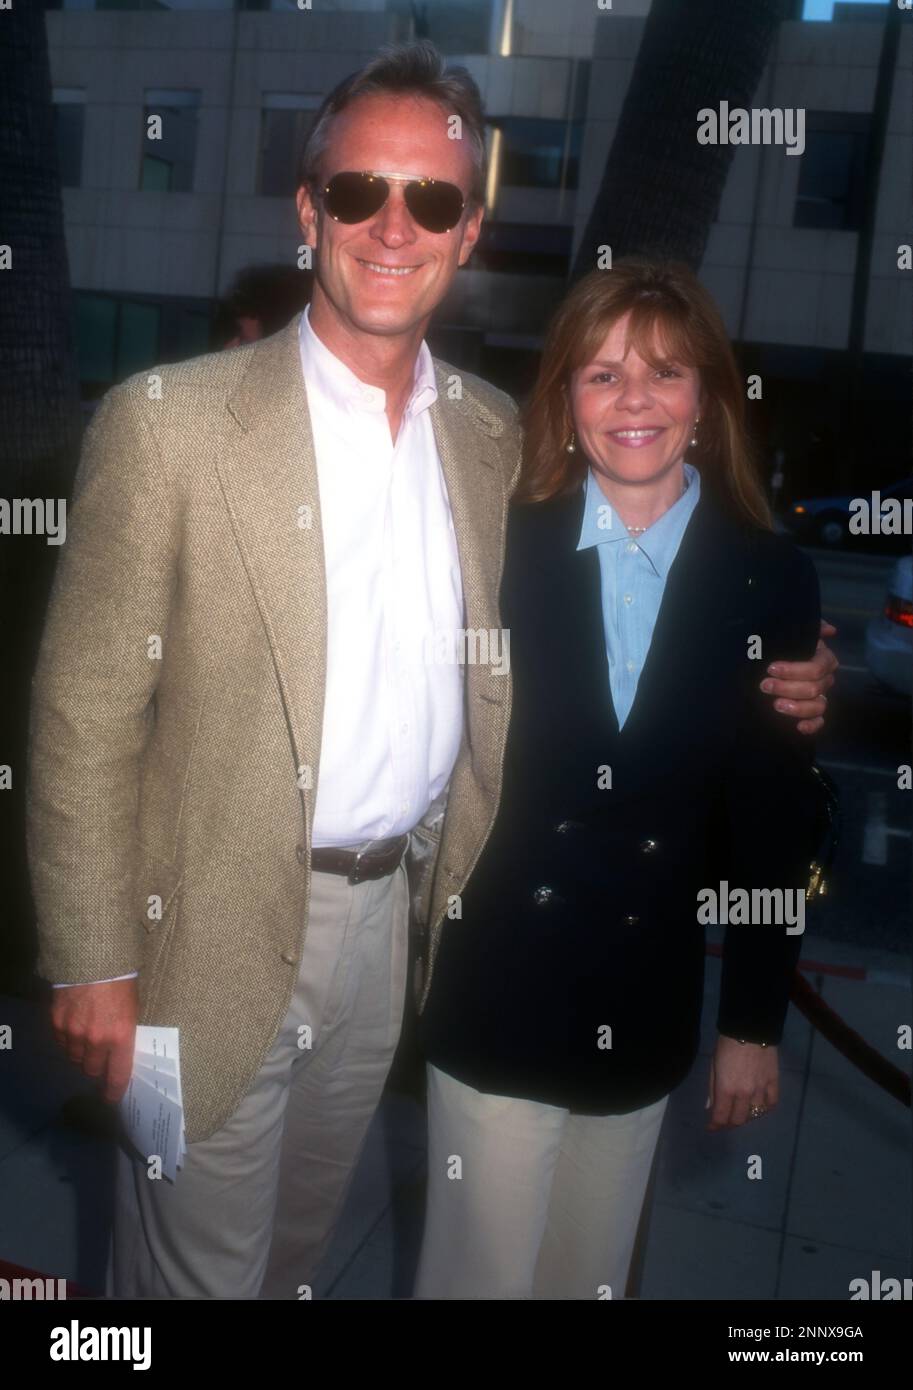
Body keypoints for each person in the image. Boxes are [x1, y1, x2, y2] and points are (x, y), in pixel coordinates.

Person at [25, 43, 835, 1301]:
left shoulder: (495, 440)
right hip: (200, 931)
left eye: (433, 201)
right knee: (191, 1276)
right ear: (310, 213)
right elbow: (80, 714)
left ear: (468, 233)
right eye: (358, 193)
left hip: (389, 940)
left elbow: (634, 610)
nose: (392, 226)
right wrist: (89, 962)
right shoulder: (167, 423)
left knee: (294, 1259)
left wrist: (786, 677)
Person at [413, 256, 833, 1300]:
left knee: (587, 1283)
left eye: (663, 372)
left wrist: (750, 1022)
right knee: (478, 1283)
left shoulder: (767, 574)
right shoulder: (495, 542)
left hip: (639, 1005)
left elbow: (773, 819)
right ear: (563, 400)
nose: (633, 399)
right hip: (497, 987)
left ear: (704, 400)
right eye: (600, 375)